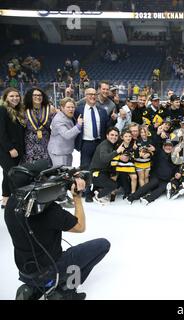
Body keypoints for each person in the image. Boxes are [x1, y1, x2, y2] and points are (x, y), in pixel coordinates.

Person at [4, 160, 110, 300]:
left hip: (25, 271)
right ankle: (64, 290)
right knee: (103, 245)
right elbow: (80, 227)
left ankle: (33, 288)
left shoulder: (11, 204)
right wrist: (77, 198)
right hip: (49, 269)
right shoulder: (50, 211)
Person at [0, 87, 25, 209]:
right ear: (5, 98)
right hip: (5, 150)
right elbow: (1, 132)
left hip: (17, 149)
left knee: (7, 174)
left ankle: (5, 199)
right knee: (13, 174)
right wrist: (10, 148)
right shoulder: (2, 110)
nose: (15, 98)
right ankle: (16, 200)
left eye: (17, 96)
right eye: (11, 96)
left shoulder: (18, 111)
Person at [22, 88, 56, 163]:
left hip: (46, 142)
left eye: (40, 95)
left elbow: (56, 124)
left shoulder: (50, 108)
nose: (38, 97)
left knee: (46, 165)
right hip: (29, 144)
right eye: (35, 95)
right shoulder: (24, 109)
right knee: (32, 166)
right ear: (30, 96)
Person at [48, 97, 83, 167]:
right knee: (61, 175)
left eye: (72, 107)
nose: (71, 109)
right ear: (62, 108)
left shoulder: (68, 116)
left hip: (67, 151)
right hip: (58, 153)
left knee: (67, 174)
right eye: (68, 107)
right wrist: (78, 125)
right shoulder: (59, 119)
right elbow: (67, 135)